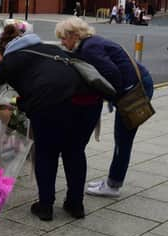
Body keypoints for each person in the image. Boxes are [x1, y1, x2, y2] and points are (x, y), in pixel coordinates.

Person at [0, 25, 102, 221]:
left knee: (46, 153)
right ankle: (76, 205)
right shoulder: (51, 49)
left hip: (52, 104)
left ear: (5, 51)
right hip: (89, 103)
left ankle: (45, 206)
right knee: (74, 151)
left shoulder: (12, 59)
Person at [55, 17, 154, 197]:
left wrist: (106, 98)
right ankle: (113, 181)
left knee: (123, 139)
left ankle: (113, 185)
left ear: (74, 35)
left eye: (63, 38)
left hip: (133, 91)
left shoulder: (90, 48)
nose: (62, 42)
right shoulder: (90, 44)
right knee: (122, 138)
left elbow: (112, 75)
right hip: (136, 84)